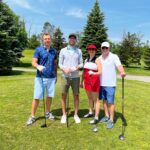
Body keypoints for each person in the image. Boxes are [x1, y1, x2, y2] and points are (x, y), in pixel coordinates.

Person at [26, 33, 57, 125]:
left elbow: (55, 64)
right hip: (40, 77)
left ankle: (47, 113)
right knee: (37, 97)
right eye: (45, 39)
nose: (47, 40)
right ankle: (32, 116)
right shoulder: (38, 50)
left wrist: (56, 75)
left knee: (50, 96)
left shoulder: (54, 51)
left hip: (51, 77)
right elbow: (33, 62)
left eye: (48, 39)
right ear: (43, 40)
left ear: (51, 40)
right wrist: (38, 66)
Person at [99, 41, 126, 129]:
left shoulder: (114, 56)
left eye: (106, 48)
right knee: (104, 101)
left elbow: (119, 66)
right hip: (102, 83)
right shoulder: (99, 58)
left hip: (110, 84)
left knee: (110, 102)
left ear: (109, 48)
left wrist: (122, 72)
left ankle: (111, 119)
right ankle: (106, 116)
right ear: (101, 48)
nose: (105, 49)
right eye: (103, 48)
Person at [59, 33, 83, 124]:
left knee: (76, 95)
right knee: (63, 95)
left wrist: (75, 68)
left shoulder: (79, 51)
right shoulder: (63, 50)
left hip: (75, 76)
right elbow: (60, 63)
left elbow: (81, 63)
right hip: (65, 76)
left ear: (75, 40)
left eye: (74, 38)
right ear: (68, 39)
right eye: (71, 38)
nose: (72, 39)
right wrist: (64, 69)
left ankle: (76, 115)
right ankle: (64, 115)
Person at [80, 44, 102, 124]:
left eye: (93, 49)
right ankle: (90, 112)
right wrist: (81, 81)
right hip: (87, 82)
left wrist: (93, 73)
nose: (91, 51)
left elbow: (100, 72)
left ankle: (96, 117)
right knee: (89, 98)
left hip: (94, 82)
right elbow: (83, 72)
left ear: (95, 51)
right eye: (90, 49)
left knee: (96, 100)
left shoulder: (97, 60)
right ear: (88, 51)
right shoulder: (86, 60)